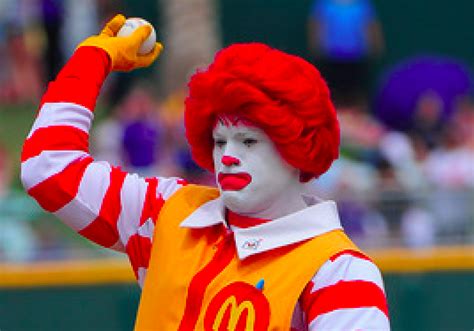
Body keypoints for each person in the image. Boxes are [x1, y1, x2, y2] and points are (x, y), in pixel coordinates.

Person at [21, 14, 390, 330]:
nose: (228, 157)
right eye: (219, 141)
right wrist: (93, 58)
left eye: (248, 142)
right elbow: (47, 168)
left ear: (297, 146)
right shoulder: (168, 211)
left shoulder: (339, 271)